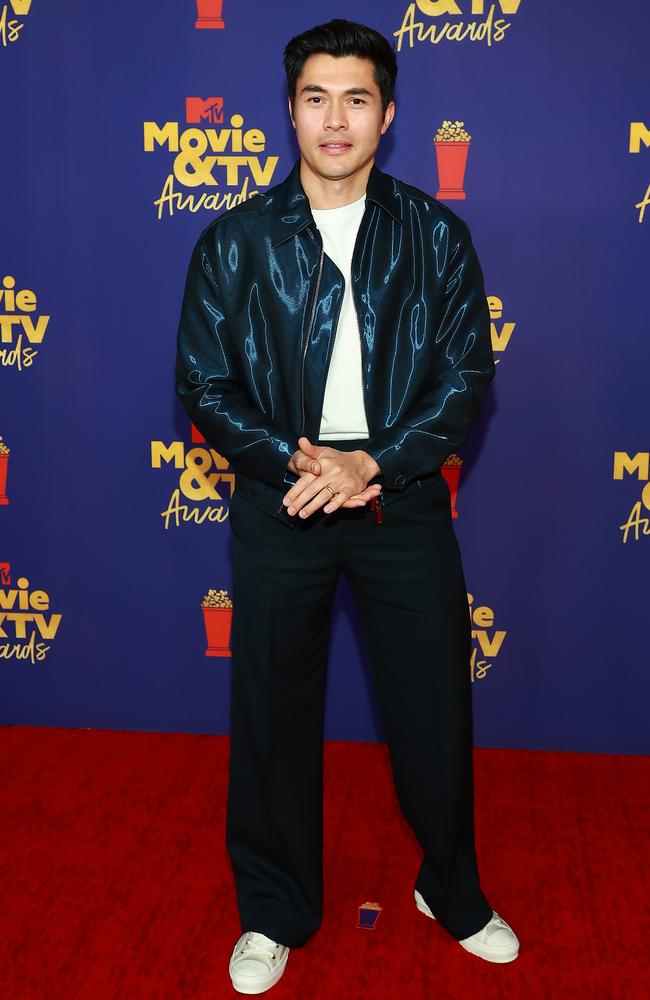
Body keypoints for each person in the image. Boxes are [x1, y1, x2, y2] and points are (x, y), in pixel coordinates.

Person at [175, 17, 520, 995]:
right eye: (316, 96)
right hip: (280, 499)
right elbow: (202, 382)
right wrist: (295, 459)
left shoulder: (434, 234)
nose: (335, 117)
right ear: (288, 110)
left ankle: (450, 889)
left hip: (397, 502)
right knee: (271, 714)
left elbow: (463, 375)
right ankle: (274, 908)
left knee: (434, 711)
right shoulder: (235, 240)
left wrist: (372, 465)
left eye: (356, 97)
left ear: (388, 115)